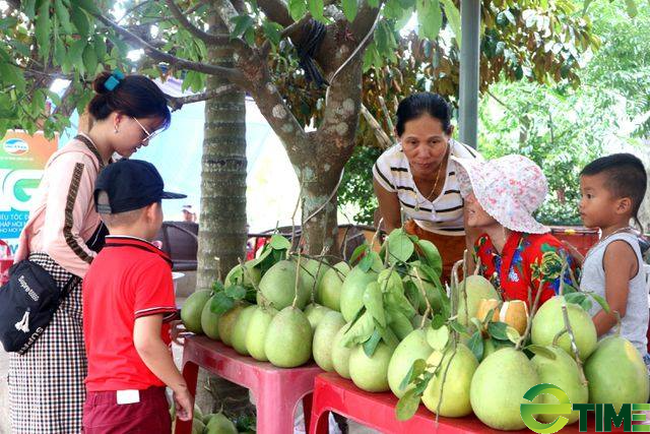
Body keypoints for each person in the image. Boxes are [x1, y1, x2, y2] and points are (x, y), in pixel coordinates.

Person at [8, 70, 171, 433]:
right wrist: (114, 278)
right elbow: (58, 239)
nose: (144, 143)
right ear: (118, 118)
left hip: (67, 301)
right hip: (54, 310)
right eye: (145, 131)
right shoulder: (79, 161)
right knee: (56, 417)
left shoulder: (101, 164)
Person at [82, 159, 192, 432]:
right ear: (153, 211)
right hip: (137, 408)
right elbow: (144, 341)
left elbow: (117, 324)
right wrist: (179, 385)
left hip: (99, 404)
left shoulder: (97, 264)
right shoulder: (151, 264)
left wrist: (166, 325)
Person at [373, 92, 482, 280]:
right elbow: (393, 227)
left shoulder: (469, 167)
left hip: (468, 245)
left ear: (449, 133)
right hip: (419, 243)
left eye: (434, 142)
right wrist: (406, 275)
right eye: (412, 142)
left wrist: (471, 284)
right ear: (398, 135)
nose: (423, 153)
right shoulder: (387, 167)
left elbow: (475, 236)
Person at [453, 154, 577, 306]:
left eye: (480, 192)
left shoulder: (546, 253)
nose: (468, 198)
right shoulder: (483, 246)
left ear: (503, 203)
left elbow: (563, 318)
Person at [565, 153, 648, 357]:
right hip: (606, 354)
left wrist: (578, 343)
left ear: (621, 205)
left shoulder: (618, 247)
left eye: (589, 196)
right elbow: (604, 279)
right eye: (582, 195)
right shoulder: (612, 243)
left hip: (620, 361)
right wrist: (578, 257)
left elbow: (615, 309)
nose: (581, 203)